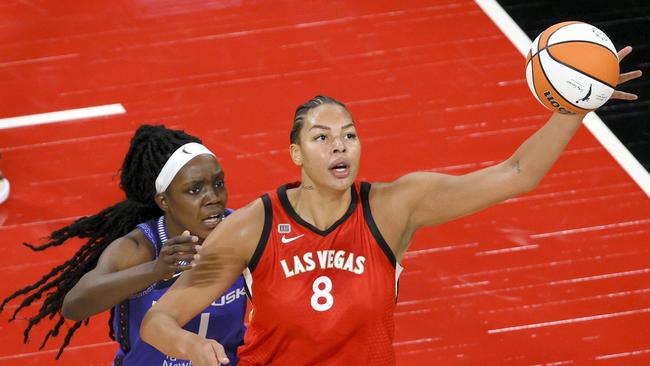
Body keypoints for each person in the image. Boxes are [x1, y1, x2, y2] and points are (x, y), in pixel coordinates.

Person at [140, 47, 642, 366]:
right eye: (322, 138)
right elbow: (157, 321)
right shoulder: (252, 227)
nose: (340, 147)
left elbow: (516, 174)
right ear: (296, 154)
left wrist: (576, 106)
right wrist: (190, 346)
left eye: (349, 136)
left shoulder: (395, 206)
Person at [0, 125, 247, 364]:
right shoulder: (141, 247)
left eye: (218, 184)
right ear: (164, 201)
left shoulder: (242, 230)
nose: (213, 198)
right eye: (194, 190)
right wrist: (156, 270)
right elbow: (74, 305)